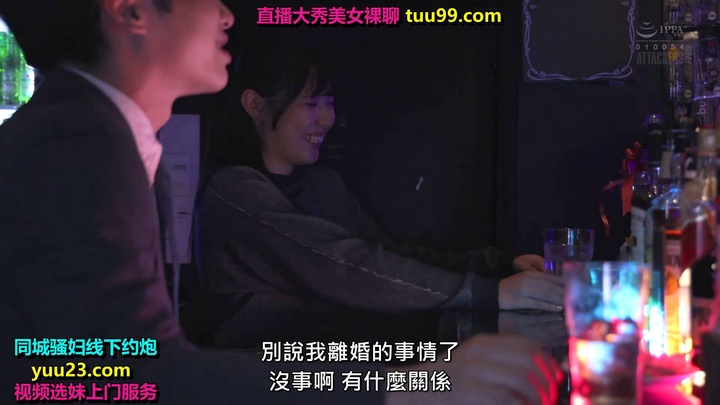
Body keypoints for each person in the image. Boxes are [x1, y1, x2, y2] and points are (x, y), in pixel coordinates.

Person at [0, 1, 561, 404]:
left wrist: (486, 279)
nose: (226, 14)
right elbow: (119, 373)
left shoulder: (98, 132)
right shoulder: (76, 141)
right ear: (130, 12)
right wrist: (413, 383)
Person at [196, 40, 565, 333]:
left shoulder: (323, 184)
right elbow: (346, 265)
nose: (327, 118)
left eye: (329, 103)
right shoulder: (235, 192)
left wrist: (498, 266)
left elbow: (386, 257)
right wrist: (485, 294)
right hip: (269, 378)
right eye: (311, 104)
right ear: (255, 105)